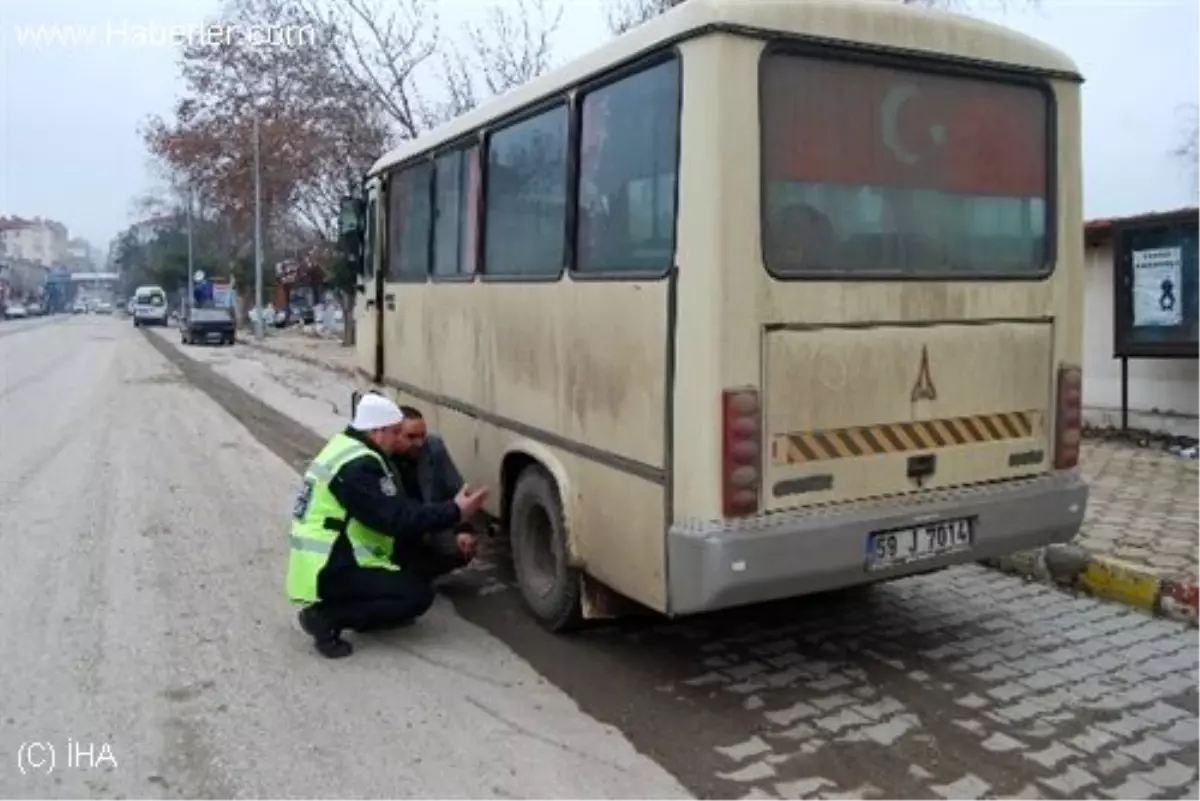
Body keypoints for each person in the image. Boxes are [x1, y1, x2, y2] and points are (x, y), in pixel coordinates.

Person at [286, 393, 489, 658]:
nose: (398, 439)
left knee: (430, 563)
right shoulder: (358, 466)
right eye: (395, 433)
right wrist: (456, 510)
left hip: (343, 552)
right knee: (416, 597)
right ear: (377, 431)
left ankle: (367, 609)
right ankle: (325, 617)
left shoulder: (346, 447)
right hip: (331, 563)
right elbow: (396, 519)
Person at [389, 406, 481, 575]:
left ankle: (419, 571)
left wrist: (463, 530)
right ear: (394, 435)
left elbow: (456, 489)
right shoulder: (381, 459)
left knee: (462, 550)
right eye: (410, 437)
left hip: (429, 518)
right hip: (398, 527)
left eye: (422, 435)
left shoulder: (433, 447)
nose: (419, 443)